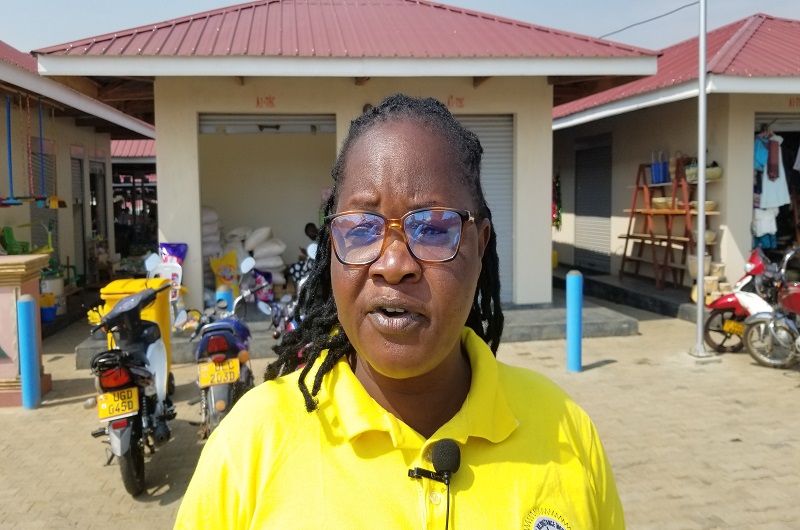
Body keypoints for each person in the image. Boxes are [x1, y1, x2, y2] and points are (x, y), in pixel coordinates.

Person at [174, 94, 624, 529]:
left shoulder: (565, 431)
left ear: (480, 245)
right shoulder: (251, 443)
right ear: (332, 246)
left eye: (431, 227)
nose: (393, 265)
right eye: (362, 228)